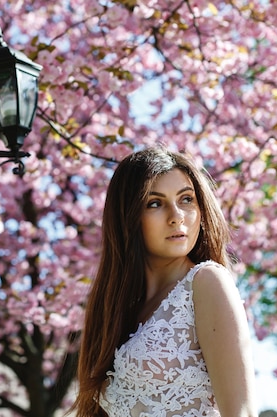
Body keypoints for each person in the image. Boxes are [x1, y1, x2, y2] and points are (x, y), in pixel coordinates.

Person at [72, 147, 257, 417]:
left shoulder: (206, 283)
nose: (176, 215)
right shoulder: (117, 311)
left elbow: (241, 413)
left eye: (186, 199)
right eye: (155, 203)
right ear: (128, 217)